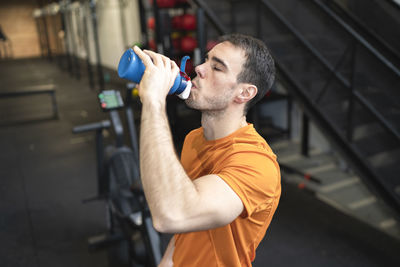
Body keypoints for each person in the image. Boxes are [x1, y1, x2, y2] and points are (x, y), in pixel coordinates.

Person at [133, 33, 281, 267]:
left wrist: (153, 101)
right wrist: (167, 263)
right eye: (206, 60)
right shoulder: (194, 140)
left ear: (244, 93)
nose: (199, 68)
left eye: (217, 67)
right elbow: (188, 222)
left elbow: (172, 214)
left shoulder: (258, 164)